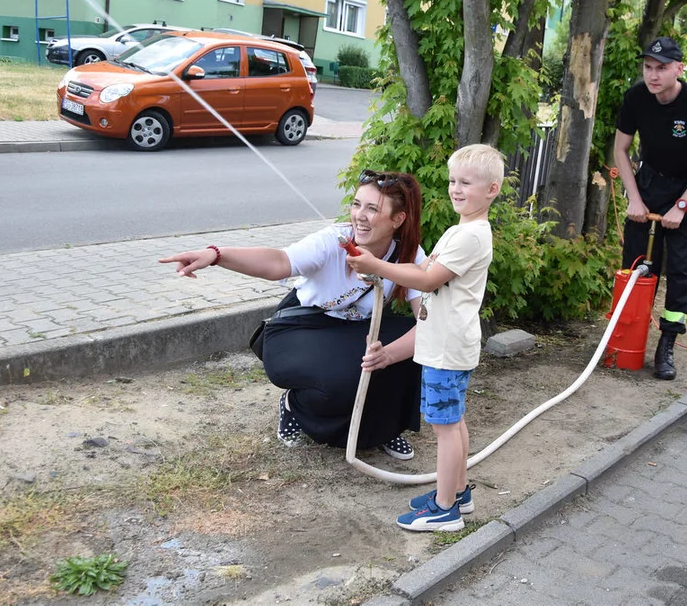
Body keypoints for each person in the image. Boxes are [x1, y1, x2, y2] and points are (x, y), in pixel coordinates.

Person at [159, 170, 426, 459]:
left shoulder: (409, 255)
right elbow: (279, 262)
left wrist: (390, 354)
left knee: (408, 352)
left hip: (354, 329)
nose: (359, 215)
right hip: (303, 325)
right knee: (341, 379)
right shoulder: (333, 240)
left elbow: (429, 322)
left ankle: (383, 429)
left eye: (372, 208)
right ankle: (294, 406)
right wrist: (216, 255)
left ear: (397, 220)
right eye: (357, 204)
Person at [346, 144, 504, 532]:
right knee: (454, 421)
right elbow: (427, 267)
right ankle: (459, 493)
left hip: (447, 348)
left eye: (466, 182)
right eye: (453, 181)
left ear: (492, 190)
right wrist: (381, 268)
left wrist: (376, 265)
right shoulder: (461, 229)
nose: (455, 188)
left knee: (445, 429)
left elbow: (429, 278)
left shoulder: (471, 236)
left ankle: (444, 508)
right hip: (449, 344)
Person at [613, 36, 687, 381]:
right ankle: (626, 340)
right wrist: (633, 197)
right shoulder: (635, 98)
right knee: (636, 266)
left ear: (679, 68)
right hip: (650, 184)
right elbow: (621, 150)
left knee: (680, 272)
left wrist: (681, 205)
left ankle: (667, 345)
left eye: (661, 68)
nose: (653, 75)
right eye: (648, 67)